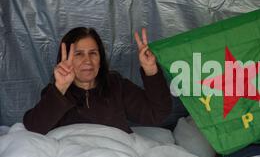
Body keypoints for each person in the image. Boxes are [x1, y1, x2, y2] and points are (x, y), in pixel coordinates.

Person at [23, 27, 172, 134]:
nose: (87, 61)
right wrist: (60, 89)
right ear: (66, 59)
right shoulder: (56, 92)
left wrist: (151, 70)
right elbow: (34, 128)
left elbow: (158, 113)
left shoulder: (116, 85)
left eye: (93, 53)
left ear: (100, 59)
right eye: (79, 54)